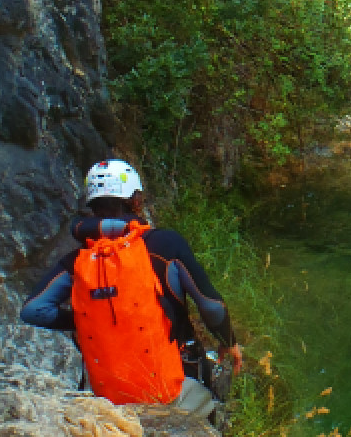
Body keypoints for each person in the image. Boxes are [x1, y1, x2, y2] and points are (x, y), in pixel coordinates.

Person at [21, 159, 242, 417]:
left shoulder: (79, 261)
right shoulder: (166, 245)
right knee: (209, 413)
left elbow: (33, 310)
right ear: (136, 201)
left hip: (108, 400)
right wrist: (229, 341)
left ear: (92, 204)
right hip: (173, 387)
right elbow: (211, 306)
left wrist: (90, 318)